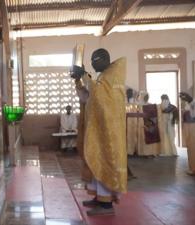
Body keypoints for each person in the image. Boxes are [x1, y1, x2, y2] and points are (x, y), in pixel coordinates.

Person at [71, 48, 126, 216]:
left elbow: (101, 96)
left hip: (108, 132)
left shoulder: (112, 76)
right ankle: (99, 198)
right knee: (95, 161)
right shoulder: (102, 77)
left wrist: (85, 75)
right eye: (92, 61)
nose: (93, 64)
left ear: (105, 59)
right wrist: (79, 81)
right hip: (97, 129)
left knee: (104, 163)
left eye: (95, 60)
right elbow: (88, 98)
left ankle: (106, 206)